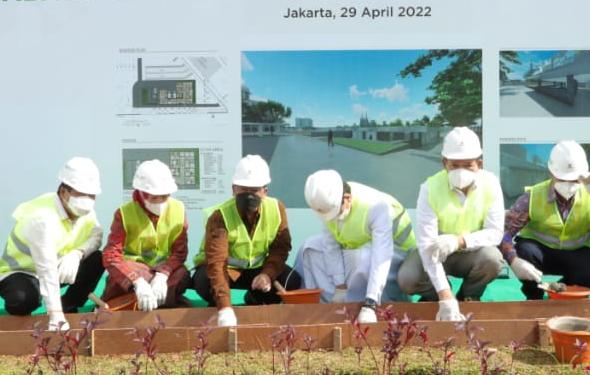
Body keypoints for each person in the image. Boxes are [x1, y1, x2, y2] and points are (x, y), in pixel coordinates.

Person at [397, 126, 505, 321]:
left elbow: (495, 233)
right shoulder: (429, 188)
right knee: (408, 278)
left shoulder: (491, 184)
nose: (461, 171)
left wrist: (459, 241)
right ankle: (438, 298)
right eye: (454, 165)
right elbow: (427, 245)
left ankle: (469, 295)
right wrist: (444, 295)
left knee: (493, 259)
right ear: (444, 163)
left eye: (468, 165)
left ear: (479, 163)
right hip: (436, 252)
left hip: (471, 253)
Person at [0, 157, 105, 327]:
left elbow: (96, 236)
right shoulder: (41, 217)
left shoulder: (84, 210)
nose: (86, 199)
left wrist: (77, 254)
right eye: (80, 193)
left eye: (91, 195)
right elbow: (46, 269)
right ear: (63, 191)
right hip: (20, 272)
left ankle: (69, 303)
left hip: (58, 266)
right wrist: (55, 314)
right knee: (23, 301)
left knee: (96, 259)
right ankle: (46, 306)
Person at [500, 140, 590, 298]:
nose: (568, 184)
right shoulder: (532, 196)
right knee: (524, 252)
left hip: (576, 253)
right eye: (562, 179)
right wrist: (514, 260)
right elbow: (505, 233)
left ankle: (560, 293)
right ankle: (533, 294)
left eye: (574, 180)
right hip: (541, 253)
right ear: (551, 173)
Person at [192, 155, 300, 327]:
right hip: (228, 271)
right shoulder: (220, 216)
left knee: (291, 279)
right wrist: (225, 308)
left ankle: (255, 299)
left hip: (258, 271)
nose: (249, 196)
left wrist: (267, 274)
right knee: (205, 281)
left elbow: (280, 248)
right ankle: (220, 304)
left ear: (265, 192)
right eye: (244, 189)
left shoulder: (276, 209)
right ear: (234, 189)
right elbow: (217, 262)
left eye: (255, 190)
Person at [298, 169, 415, 324]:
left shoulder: (376, 207)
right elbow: (330, 245)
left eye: (334, 214)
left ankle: (362, 304)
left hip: (396, 256)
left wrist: (371, 302)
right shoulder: (329, 203)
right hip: (355, 249)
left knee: (362, 256)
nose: (331, 219)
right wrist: (340, 287)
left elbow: (381, 256)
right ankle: (331, 304)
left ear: (347, 198)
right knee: (310, 248)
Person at [101, 160, 191, 311]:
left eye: (165, 196)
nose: (160, 202)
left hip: (164, 270)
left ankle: (163, 299)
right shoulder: (124, 213)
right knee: (120, 278)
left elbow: (179, 252)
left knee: (182, 274)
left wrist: (163, 275)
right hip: (134, 269)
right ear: (141, 194)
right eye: (155, 197)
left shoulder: (178, 209)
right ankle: (132, 300)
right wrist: (138, 282)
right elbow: (111, 256)